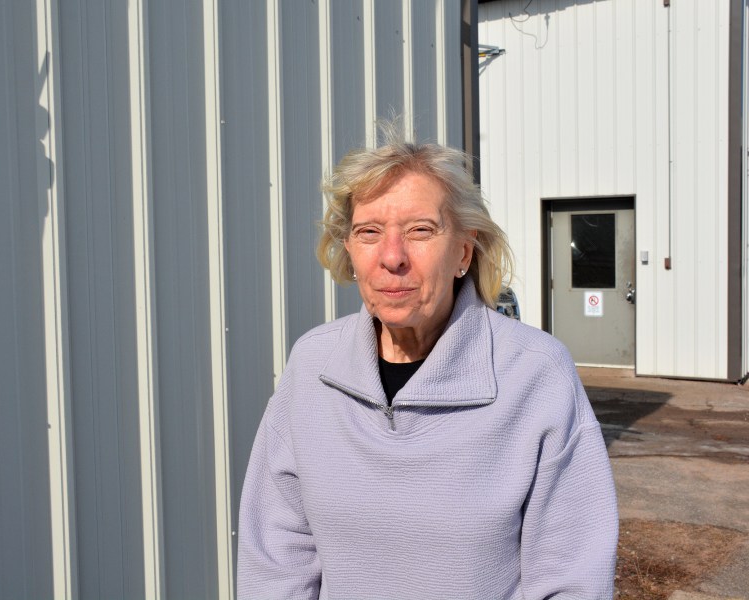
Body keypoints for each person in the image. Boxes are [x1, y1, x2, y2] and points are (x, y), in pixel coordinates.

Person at [237, 125, 618, 599]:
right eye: (368, 232)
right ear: (350, 252)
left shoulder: (534, 374)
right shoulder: (313, 367)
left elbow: (573, 575)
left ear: (463, 250)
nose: (392, 257)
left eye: (420, 230)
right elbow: (277, 555)